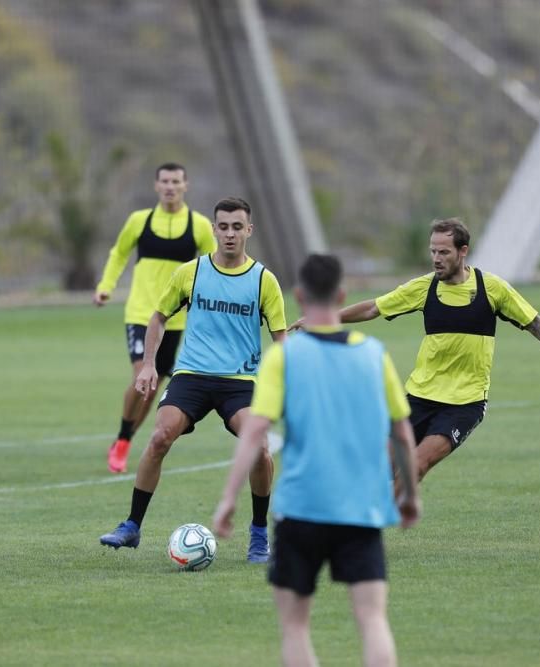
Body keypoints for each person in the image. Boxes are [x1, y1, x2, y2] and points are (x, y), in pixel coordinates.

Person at [213, 254, 421, 667]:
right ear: (342, 295)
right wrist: (410, 495)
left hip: (301, 508)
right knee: (372, 618)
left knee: (295, 627)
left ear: (299, 296)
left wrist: (229, 498)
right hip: (361, 509)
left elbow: (255, 431)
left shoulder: (284, 358)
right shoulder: (374, 354)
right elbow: (401, 432)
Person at [297, 217, 540, 481]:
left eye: (443, 251)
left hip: (464, 402)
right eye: (433, 251)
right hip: (419, 396)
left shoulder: (491, 288)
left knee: (417, 465)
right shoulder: (424, 287)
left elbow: (536, 324)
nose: (436, 258)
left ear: (463, 251)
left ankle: (367, 529)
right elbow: (373, 309)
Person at [99, 196, 286, 562]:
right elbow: (157, 318)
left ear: (249, 230)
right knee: (159, 437)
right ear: (213, 229)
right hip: (192, 375)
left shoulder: (264, 280)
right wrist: (150, 365)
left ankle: (260, 535)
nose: (230, 234)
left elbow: (282, 341)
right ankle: (132, 525)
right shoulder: (192, 272)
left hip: (240, 381)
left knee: (260, 448)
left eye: (237, 227)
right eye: (223, 226)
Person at [93, 163, 216, 474]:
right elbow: (119, 253)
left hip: (174, 319)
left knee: (152, 385)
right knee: (140, 377)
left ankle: (127, 436)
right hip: (140, 313)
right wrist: (106, 287)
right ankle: (122, 439)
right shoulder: (140, 221)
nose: (170, 186)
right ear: (156, 186)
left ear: (185, 185)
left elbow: (216, 267)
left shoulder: (199, 226)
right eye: (165, 181)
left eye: (176, 181)